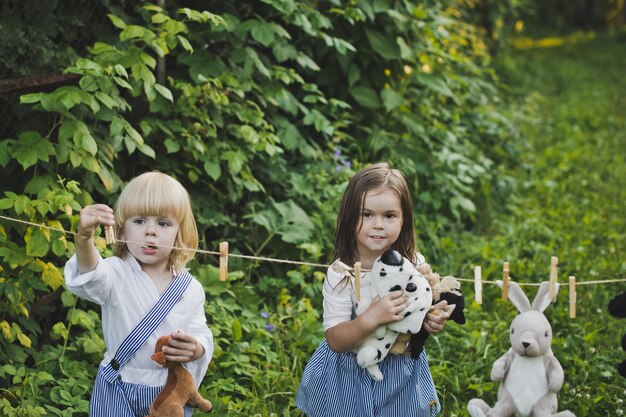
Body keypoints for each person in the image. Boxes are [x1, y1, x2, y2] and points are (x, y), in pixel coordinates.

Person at [295, 162, 450, 417]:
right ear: (348, 217)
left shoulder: (413, 265)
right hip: (347, 376)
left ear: (404, 219)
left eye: (389, 215)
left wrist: (430, 319)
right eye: (366, 215)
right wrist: (372, 317)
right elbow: (335, 339)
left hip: (400, 372)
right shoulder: (342, 274)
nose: (378, 225)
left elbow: (420, 312)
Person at [64, 171, 213, 417]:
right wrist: (84, 239)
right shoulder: (115, 273)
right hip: (118, 386)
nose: (150, 232)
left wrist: (197, 348)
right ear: (122, 231)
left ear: (180, 233)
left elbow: (200, 331)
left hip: (167, 391)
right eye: (139, 221)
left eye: (163, 223)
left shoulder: (190, 288)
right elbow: (91, 274)